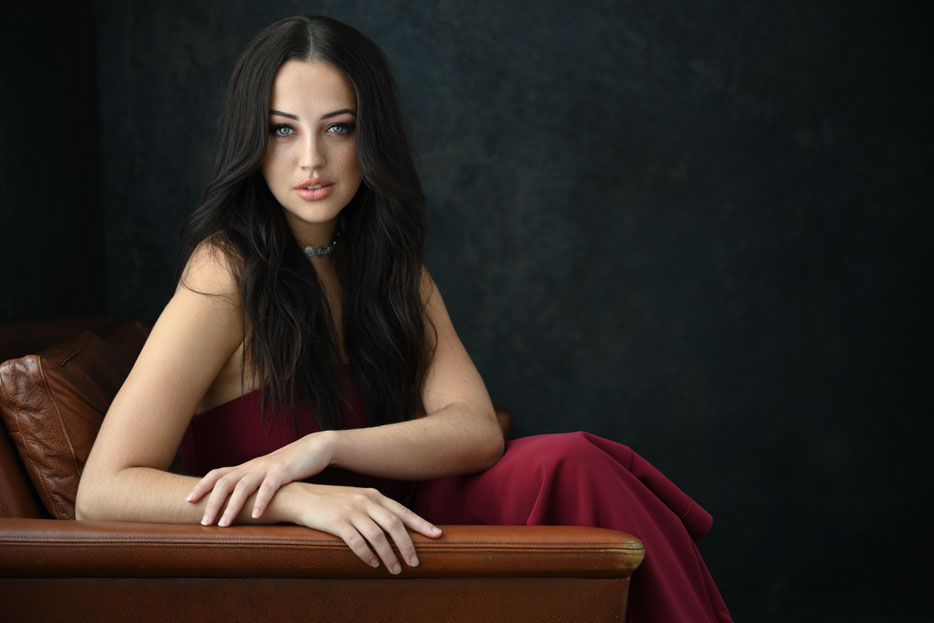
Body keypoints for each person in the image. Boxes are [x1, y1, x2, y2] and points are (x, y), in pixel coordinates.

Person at [77, 15, 732, 622]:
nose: (311, 158)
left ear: (373, 135)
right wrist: (295, 496)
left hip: (405, 538)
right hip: (308, 569)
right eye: (283, 129)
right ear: (252, 139)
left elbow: (476, 430)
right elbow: (102, 491)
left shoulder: (385, 263)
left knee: (574, 460)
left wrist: (324, 446)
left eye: (339, 127)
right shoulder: (227, 273)